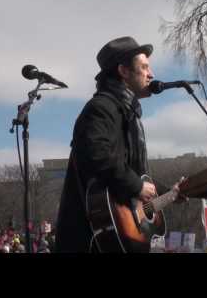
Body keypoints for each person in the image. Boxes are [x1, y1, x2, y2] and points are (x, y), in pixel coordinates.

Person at [55, 36, 186, 253]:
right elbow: (99, 156)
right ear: (123, 71)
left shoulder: (128, 114)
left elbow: (137, 175)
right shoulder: (101, 109)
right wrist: (136, 186)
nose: (151, 74)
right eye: (144, 67)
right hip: (91, 239)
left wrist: (170, 192)